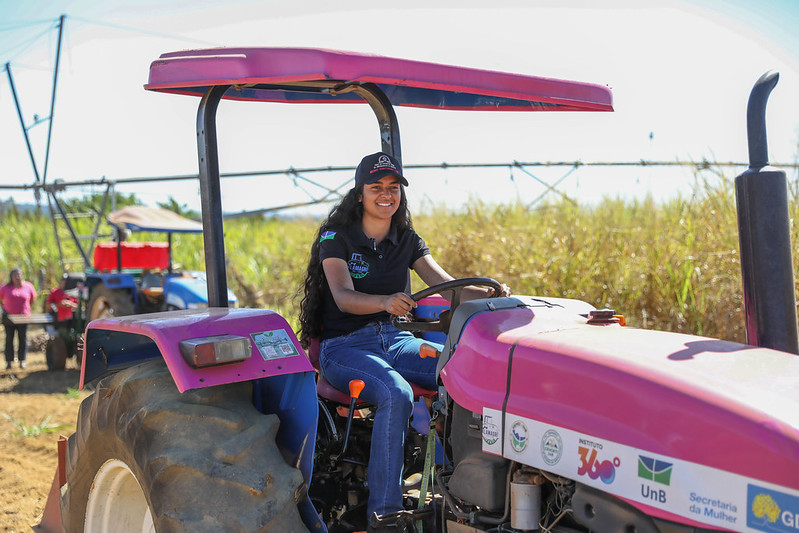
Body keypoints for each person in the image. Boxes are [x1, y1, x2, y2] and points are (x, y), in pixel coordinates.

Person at [299, 151, 508, 530]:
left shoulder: (407, 240)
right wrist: (383, 301)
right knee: (395, 392)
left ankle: (464, 491)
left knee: (458, 370)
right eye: (376, 187)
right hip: (345, 347)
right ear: (360, 193)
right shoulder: (337, 238)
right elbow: (343, 295)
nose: (386, 195)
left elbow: (447, 287)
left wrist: (496, 294)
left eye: (393, 188)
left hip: (393, 340)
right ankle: (386, 514)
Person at [0, 268, 37, 370]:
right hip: (9, 318)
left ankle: (22, 360)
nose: (17, 277)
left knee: (22, 339)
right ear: (11, 277)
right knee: (9, 339)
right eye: (15, 275)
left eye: (19, 274)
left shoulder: (28, 286)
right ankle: (9, 361)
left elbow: (32, 300)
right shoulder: (5, 288)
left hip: (23, 318)